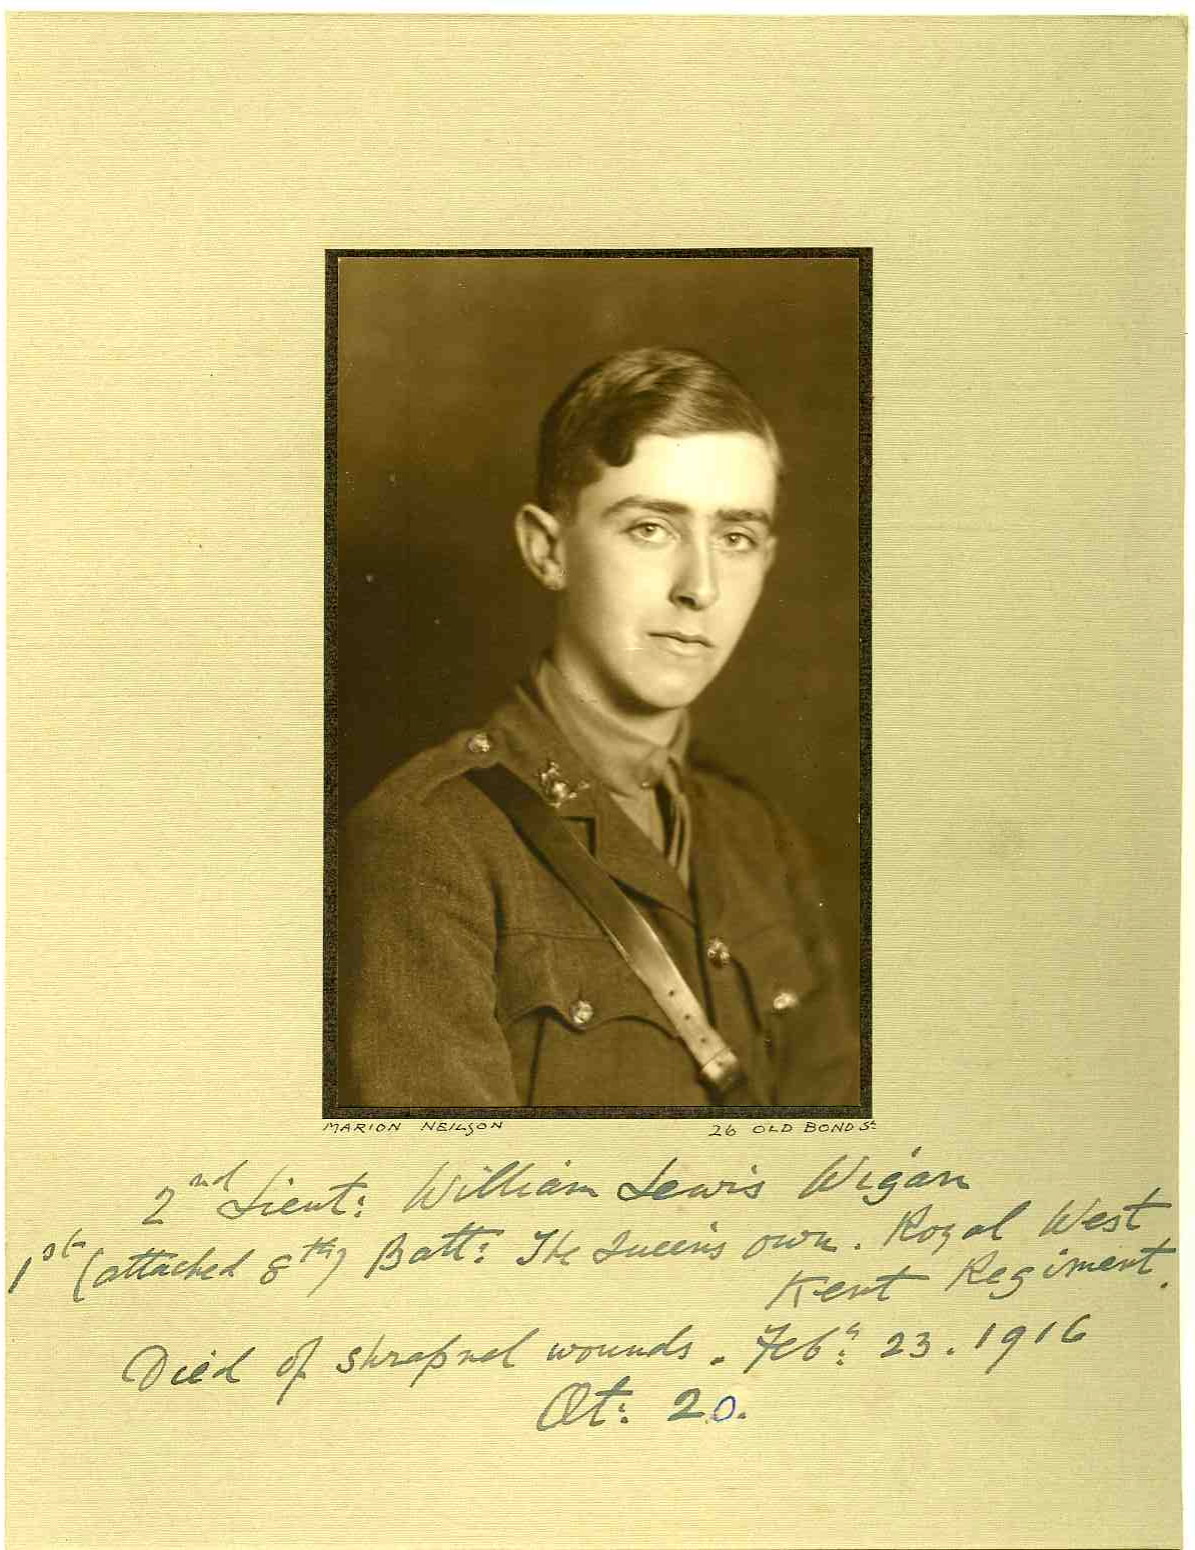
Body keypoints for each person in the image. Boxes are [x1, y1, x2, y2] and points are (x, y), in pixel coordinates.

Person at [337, 346, 859, 1108]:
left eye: (735, 538)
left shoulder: (761, 841)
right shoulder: (430, 842)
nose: (701, 587)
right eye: (650, 528)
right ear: (547, 550)